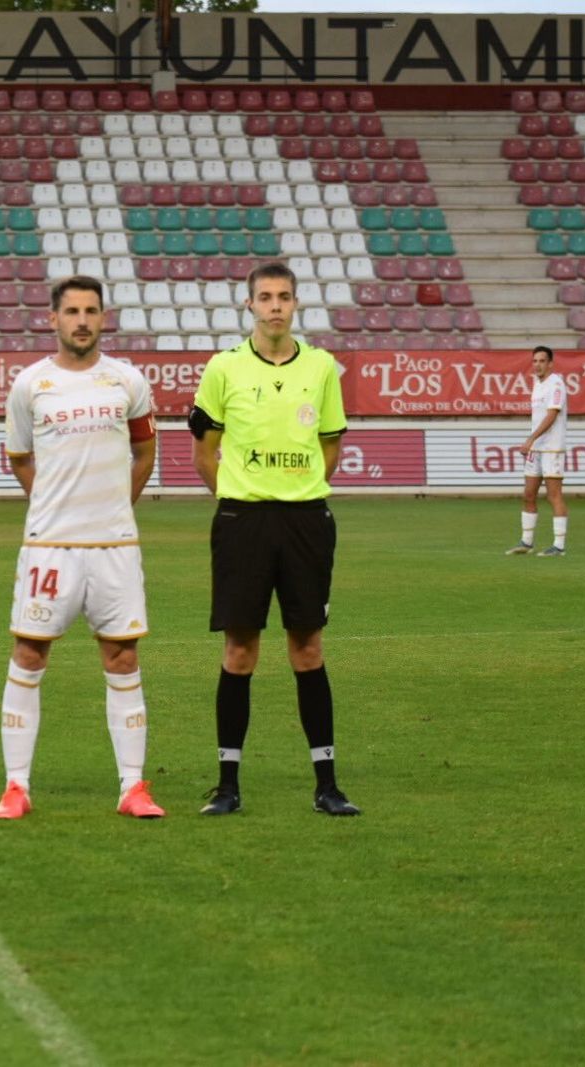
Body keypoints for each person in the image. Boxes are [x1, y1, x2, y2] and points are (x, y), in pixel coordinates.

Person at [189, 260, 360, 817]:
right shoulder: (223, 368)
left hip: (306, 521)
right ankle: (228, 786)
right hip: (243, 521)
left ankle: (327, 786)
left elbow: (330, 445)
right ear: (250, 305)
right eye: (265, 298)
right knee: (239, 650)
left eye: (284, 297)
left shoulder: (322, 367)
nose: (275, 306)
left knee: (308, 648)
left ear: (295, 303)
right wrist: (238, 498)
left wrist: (297, 490)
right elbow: (204, 452)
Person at [0, 276, 164, 821]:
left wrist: (116, 506)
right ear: (54, 319)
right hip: (50, 546)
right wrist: (52, 504)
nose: (82, 321)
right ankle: (16, 787)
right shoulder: (30, 385)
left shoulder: (127, 380)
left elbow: (145, 452)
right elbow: (20, 457)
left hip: (115, 544)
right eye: (72, 311)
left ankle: (132, 788)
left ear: (103, 318)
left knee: (123, 657)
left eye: (91, 311)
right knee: (29, 653)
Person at [505, 345, 569, 557]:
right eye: (535, 361)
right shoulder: (538, 384)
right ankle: (526, 542)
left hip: (551, 447)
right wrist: (533, 442)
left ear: (550, 364)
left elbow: (552, 415)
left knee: (554, 495)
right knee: (528, 494)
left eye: (542, 361)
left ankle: (559, 545)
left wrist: (531, 438)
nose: (538, 365)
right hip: (537, 449)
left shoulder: (556, 384)